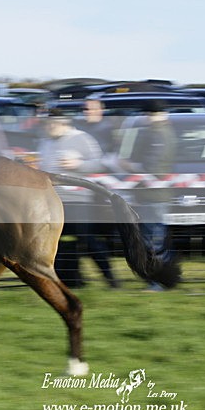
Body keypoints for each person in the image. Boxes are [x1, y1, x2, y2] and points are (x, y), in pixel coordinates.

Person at [38, 110, 119, 288]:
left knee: (86, 238)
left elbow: (100, 163)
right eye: (47, 124)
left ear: (65, 123)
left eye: (53, 124)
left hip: (79, 199)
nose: (49, 127)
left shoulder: (82, 138)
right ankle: (71, 281)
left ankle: (111, 279)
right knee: (58, 241)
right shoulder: (45, 142)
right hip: (54, 200)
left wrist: (79, 164)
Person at [117, 99, 178, 291]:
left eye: (147, 114)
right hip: (152, 195)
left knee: (154, 240)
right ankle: (163, 278)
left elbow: (154, 166)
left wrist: (130, 166)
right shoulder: (161, 132)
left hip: (154, 195)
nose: (145, 118)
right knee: (154, 239)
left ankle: (159, 282)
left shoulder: (159, 134)